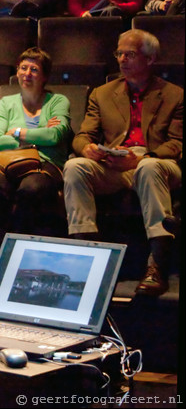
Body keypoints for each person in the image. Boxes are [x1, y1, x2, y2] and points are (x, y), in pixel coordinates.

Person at [64, 30, 183, 297]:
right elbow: (84, 134)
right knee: (74, 167)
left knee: (148, 169)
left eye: (129, 54)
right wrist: (87, 148)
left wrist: (141, 158)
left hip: (159, 164)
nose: (121, 60)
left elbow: (178, 143)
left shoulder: (175, 95)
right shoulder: (103, 93)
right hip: (114, 164)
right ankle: (85, 260)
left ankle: (157, 265)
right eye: (119, 53)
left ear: (150, 59)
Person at [0, 48, 72, 271]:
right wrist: (38, 136)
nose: (27, 74)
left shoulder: (58, 101)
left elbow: (56, 135)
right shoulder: (6, 103)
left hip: (46, 160)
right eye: (23, 68)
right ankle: (7, 249)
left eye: (34, 70)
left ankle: (5, 252)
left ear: (45, 76)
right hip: (10, 160)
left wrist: (16, 133)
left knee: (31, 189)